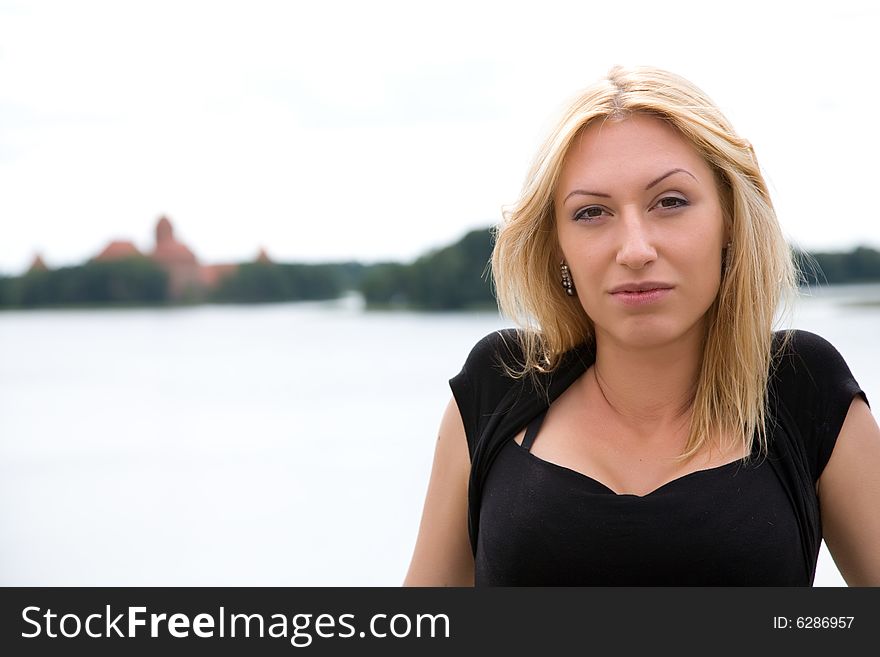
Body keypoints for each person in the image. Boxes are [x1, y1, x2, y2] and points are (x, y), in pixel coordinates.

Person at [402, 65, 880, 586]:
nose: (634, 250)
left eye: (670, 202)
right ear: (557, 243)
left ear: (729, 220)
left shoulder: (802, 388)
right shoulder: (500, 386)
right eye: (591, 213)